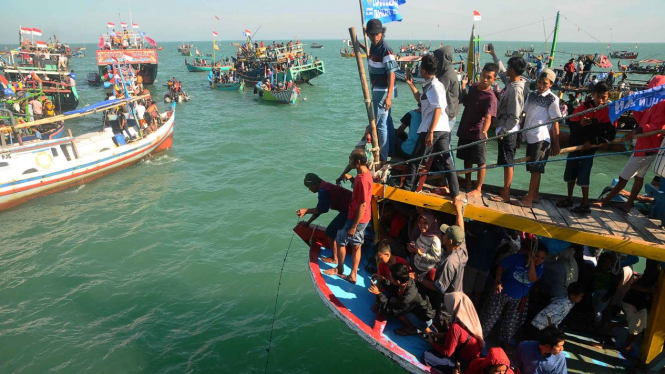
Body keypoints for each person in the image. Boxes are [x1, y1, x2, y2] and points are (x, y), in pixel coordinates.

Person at [593, 75, 665, 212]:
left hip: (647, 147)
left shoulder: (662, 104)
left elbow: (658, 126)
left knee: (623, 177)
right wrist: (633, 107)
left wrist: (639, 129)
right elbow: (643, 118)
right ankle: (628, 204)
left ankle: (604, 202)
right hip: (645, 146)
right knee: (639, 177)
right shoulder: (653, 103)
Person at [402, 53, 459, 199]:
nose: (419, 70)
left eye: (420, 68)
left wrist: (430, 132)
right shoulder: (431, 85)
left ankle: (407, 189)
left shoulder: (434, 86)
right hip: (443, 128)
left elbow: (438, 108)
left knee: (415, 159)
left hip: (432, 127)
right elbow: (421, 100)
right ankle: (455, 192)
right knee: (447, 161)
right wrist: (411, 85)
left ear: (424, 70)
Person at [557, 83, 617, 214]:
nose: (601, 100)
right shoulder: (583, 108)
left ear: (608, 96)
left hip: (590, 149)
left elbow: (610, 135)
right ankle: (569, 198)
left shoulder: (609, 111)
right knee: (570, 173)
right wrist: (580, 124)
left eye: (604, 97)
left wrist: (593, 142)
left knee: (584, 175)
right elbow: (572, 127)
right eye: (598, 97)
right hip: (575, 146)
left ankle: (585, 204)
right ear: (593, 95)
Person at [480, 246, 548, 349]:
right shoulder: (516, 257)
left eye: (542, 258)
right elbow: (501, 267)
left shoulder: (540, 267)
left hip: (519, 297)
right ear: (531, 253)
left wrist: (532, 262)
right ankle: (480, 337)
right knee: (490, 316)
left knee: (511, 321)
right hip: (502, 292)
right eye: (537, 256)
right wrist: (498, 281)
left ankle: (505, 341)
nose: (539, 260)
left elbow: (532, 278)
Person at [513, 69, 561, 208]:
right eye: (540, 82)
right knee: (534, 168)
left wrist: (556, 144)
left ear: (551, 84)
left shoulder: (553, 99)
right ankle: (534, 196)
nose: (541, 85)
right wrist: (519, 133)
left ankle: (528, 199)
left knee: (536, 169)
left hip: (541, 137)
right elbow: (525, 114)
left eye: (545, 83)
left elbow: (555, 122)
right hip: (530, 136)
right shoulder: (532, 95)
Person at [324, 149, 373, 284]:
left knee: (340, 241)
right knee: (357, 245)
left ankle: (339, 270)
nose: (349, 161)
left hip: (357, 217)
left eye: (350, 159)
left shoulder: (363, 180)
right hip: (364, 216)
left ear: (357, 162)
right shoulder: (364, 172)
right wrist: (345, 176)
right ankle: (352, 275)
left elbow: (362, 204)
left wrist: (354, 226)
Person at [487, 44, 527, 203]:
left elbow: (515, 116)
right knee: (505, 161)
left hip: (509, 131)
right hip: (505, 128)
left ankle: (506, 193)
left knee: (508, 162)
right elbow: (501, 70)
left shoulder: (516, 89)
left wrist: (504, 130)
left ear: (513, 70)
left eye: (509, 67)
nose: (506, 70)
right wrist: (494, 55)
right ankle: (505, 189)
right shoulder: (512, 82)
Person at [357, 19, 398, 163]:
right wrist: (361, 45)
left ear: (382, 34)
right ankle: (391, 149)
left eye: (377, 34)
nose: (375, 37)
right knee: (388, 122)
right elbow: (371, 55)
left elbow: (392, 73)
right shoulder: (374, 46)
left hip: (383, 90)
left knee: (381, 125)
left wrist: (388, 97)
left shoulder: (385, 49)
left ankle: (383, 157)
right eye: (372, 34)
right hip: (378, 88)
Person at [457, 63, 499, 197]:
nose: (485, 79)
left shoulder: (491, 98)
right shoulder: (474, 86)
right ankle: (468, 182)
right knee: (466, 158)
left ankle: (478, 188)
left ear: (494, 80)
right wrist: (463, 86)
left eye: (489, 77)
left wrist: (485, 132)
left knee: (481, 161)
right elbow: (466, 101)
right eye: (483, 76)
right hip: (466, 128)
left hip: (478, 132)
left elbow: (488, 118)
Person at [297, 173, 352, 265]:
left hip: (350, 210)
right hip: (351, 207)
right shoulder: (324, 185)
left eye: (309, 187)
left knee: (330, 232)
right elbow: (320, 209)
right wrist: (308, 223)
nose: (309, 190)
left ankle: (335, 259)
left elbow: (322, 209)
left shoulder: (322, 191)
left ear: (313, 185)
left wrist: (305, 211)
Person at [421, 293, 484, 372]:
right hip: (472, 359)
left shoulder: (455, 327)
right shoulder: (471, 320)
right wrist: (443, 335)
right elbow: (463, 336)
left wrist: (432, 343)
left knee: (426, 356)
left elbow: (447, 353)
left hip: (462, 365)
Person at [368, 263, 435, 335]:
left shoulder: (407, 298)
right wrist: (383, 280)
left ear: (398, 281)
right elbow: (395, 288)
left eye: (390, 277)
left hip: (423, 321)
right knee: (394, 299)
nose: (389, 278)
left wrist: (378, 294)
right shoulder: (407, 279)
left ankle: (412, 328)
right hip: (420, 310)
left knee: (393, 304)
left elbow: (390, 311)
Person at [620, 259, 661, 352]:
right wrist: (650, 290)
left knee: (639, 326)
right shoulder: (652, 274)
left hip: (638, 303)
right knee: (636, 327)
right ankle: (626, 345)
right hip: (633, 302)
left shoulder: (654, 274)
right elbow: (633, 286)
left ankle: (625, 343)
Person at [408, 210, 442, 282]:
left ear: (431, 223)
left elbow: (436, 259)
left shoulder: (435, 239)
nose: (421, 225)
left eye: (425, 223)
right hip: (416, 266)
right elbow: (422, 247)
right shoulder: (423, 233)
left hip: (425, 272)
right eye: (420, 223)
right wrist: (413, 245)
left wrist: (420, 253)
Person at [432, 46, 461, 130]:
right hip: (451, 112)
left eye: (436, 58)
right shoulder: (448, 72)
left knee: (442, 142)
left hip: (447, 115)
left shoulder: (446, 76)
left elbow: (437, 96)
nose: (435, 61)